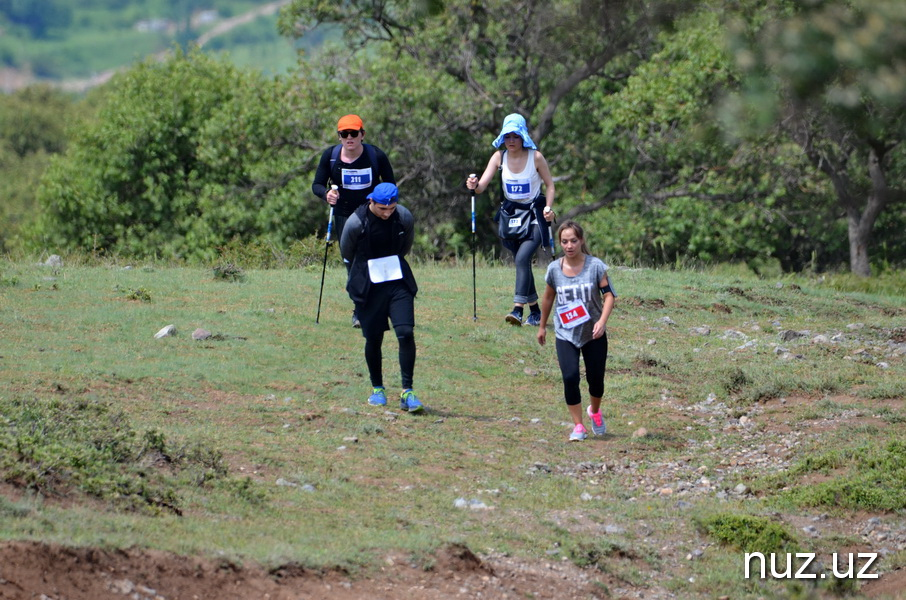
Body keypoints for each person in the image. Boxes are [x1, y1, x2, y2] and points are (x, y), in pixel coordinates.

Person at [339, 182, 424, 413]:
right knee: (374, 338)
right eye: (382, 209)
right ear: (371, 202)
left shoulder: (403, 216)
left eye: (391, 208)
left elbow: (405, 246)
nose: (387, 213)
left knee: (405, 332)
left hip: (397, 280)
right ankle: (378, 389)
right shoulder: (356, 222)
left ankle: (408, 391)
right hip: (368, 284)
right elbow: (347, 252)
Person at [466, 113, 555, 327]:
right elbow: (480, 188)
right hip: (511, 218)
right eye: (507, 137)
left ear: (523, 136)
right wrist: (473, 184)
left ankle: (517, 309)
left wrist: (549, 208)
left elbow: (550, 185)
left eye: (515, 136)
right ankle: (535, 312)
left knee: (522, 259)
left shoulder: (535, 157)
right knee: (522, 264)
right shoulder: (498, 157)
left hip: (534, 216)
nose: (511, 141)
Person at [312, 114, 396, 327]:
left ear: (362, 134)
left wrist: (382, 202)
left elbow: (391, 185)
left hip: (372, 214)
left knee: (374, 259)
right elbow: (317, 185)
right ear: (339, 136)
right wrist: (326, 195)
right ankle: (360, 309)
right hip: (343, 216)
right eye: (344, 134)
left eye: (353, 133)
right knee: (352, 261)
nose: (349, 137)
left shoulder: (376, 155)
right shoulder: (330, 156)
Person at [536, 220, 616, 442]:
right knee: (570, 377)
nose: (569, 245)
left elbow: (609, 295)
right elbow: (548, 298)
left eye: (573, 240)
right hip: (565, 332)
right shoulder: (554, 269)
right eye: (564, 241)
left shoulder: (595, 266)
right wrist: (542, 326)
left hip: (593, 332)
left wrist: (602, 321)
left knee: (596, 379)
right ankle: (578, 426)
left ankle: (595, 412)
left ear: (581, 241)